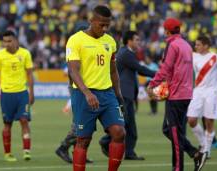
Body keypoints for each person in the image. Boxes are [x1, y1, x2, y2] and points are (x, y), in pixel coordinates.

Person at [66, 5, 126, 171]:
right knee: (83, 140)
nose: (105, 28)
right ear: (91, 21)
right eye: (101, 24)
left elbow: (113, 71)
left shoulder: (110, 41)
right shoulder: (76, 40)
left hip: (107, 94)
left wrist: (119, 96)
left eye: (108, 25)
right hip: (83, 95)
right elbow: (73, 70)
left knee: (119, 133)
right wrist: (87, 93)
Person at [147, 18, 207, 171]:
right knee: (171, 130)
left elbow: (165, 68)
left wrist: (152, 84)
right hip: (186, 94)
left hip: (176, 95)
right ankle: (194, 154)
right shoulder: (187, 45)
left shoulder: (172, 44)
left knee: (173, 133)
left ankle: (184, 163)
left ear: (167, 31)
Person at [99, 31, 155, 160]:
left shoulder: (125, 53)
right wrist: (159, 75)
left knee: (128, 124)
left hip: (125, 93)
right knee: (126, 123)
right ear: (129, 41)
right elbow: (141, 70)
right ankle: (107, 141)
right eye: (136, 40)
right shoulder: (126, 54)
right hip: (124, 94)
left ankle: (128, 151)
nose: (139, 42)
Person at [0, 30, 34, 162]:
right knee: (7, 124)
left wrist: (32, 92)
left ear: (16, 40)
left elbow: (30, 74)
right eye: (4, 41)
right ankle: (7, 153)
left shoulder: (25, 53)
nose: (6, 44)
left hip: (22, 93)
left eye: (9, 41)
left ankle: (26, 151)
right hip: (6, 94)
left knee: (24, 121)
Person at [187, 35, 217, 158]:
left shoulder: (216, 57)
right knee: (191, 120)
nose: (195, 46)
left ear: (206, 46)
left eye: (198, 44)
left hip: (212, 92)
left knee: (209, 122)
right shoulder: (193, 56)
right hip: (198, 91)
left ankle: (206, 151)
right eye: (195, 44)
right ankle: (203, 144)